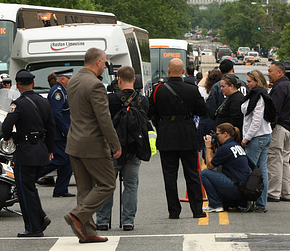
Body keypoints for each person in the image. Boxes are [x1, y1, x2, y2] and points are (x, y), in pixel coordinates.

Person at [64, 48, 122, 244]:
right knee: (107, 183)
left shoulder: (73, 81)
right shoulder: (95, 85)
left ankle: (87, 232)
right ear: (97, 62)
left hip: (74, 142)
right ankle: (77, 216)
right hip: (93, 143)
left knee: (84, 188)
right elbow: (103, 119)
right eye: (104, 62)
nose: (105, 66)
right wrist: (115, 144)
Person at [148, 58, 208, 220]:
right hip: (187, 135)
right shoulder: (191, 89)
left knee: (169, 176)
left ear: (168, 71)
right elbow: (203, 111)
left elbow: (149, 111)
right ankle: (197, 210)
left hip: (166, 135)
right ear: (182, 71)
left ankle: (174, 211)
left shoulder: (158, 90)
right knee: (192, 174)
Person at [2, 70, 55, 237]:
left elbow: (6, 127)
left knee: (24, 189)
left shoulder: (17, 104)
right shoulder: (44, 102)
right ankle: (40, 217)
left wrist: (8, 137)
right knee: (30, 187)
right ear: (32, 83)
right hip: (41, 150)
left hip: (25, 152)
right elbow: (52, 127)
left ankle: (33, 227)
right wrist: (50, 149)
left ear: (17, 85)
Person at [96, 66, 149, 231]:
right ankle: (128, 221)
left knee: (107, 185)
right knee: (131, 185)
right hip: (134, 148)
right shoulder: (143, 101)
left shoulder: (109, 99)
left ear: (118, 79)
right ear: (134, 79)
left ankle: (103, 220)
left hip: (112, 148)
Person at [37, 69, 75, 197]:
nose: (71, 81)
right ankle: (33, 176)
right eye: (69, 79)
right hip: (59, 134)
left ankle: (61, 189)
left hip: (63, 133)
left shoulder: (64, 91)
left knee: (68, 161)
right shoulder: (57, 92)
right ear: (63, 79)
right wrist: (65, 130)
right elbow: (55, 114)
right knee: (60, 159)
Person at [241, 69, 273, 212]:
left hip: (257, 136)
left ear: (257, 81)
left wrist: (247, 138)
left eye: (249, 81)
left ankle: (249, 201)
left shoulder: (258, 96)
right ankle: (261, 203)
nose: (247, 84)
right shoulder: (260, 94)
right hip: (264, 134)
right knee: (262, 170)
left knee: (250, 170)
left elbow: (256, 120)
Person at [266, 62, 290, 205]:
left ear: (280, 73)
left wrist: (269, 128)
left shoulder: (279, 87)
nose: (268, 73)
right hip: (289, 127)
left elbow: (275, 110)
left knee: (274, 159)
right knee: (284, 160)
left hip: (279, 127)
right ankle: (286, 192)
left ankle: (273, 192)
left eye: (270, 71)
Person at [201, 123, 251, 212]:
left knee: (205, 173)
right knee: (217, 170)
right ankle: (232, 203)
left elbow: (210, 166)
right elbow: (215, 161)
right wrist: (213, 146)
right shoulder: (235, 145)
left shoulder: (226, 148)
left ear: (225, 134)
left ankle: (215, 205)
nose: (216, 137)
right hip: (243, 189)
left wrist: (208, 147)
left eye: (217, 134)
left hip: (236, 188)